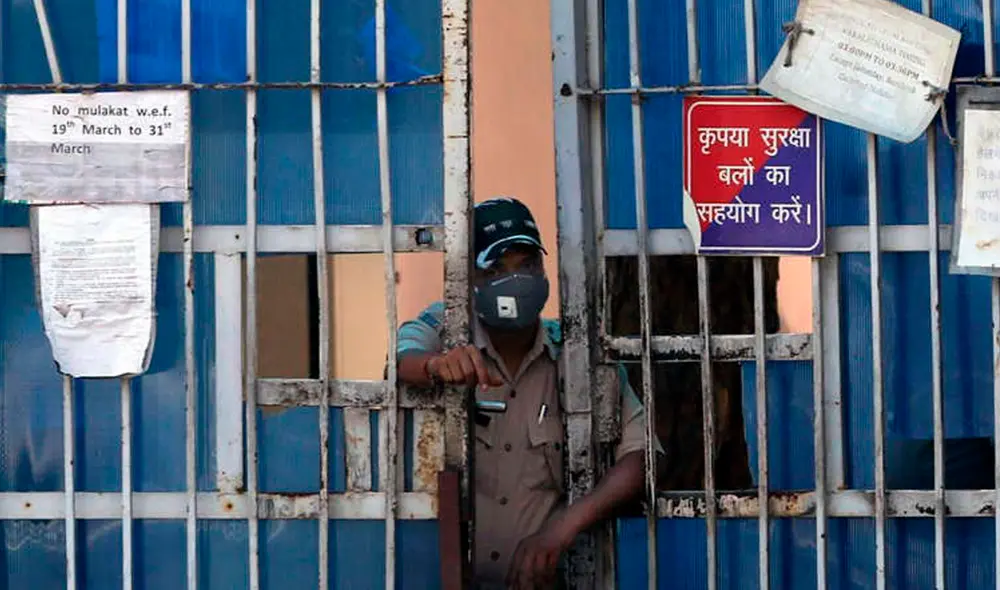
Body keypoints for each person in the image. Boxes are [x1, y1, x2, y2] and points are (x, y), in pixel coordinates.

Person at [395, 197, 660, 589]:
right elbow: (401, 359)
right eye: (496, 269)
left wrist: (563, 528)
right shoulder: (444, 328)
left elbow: (640, 457)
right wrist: (437, 365)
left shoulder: (578, 357)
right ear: (468, 278)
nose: (516, 279)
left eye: (527, 264)